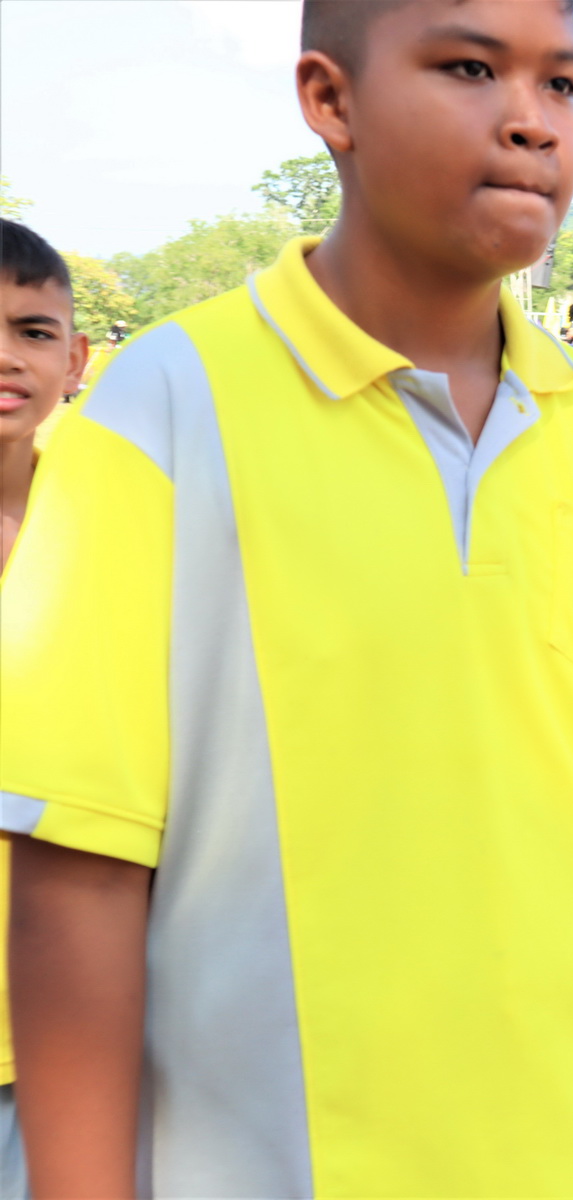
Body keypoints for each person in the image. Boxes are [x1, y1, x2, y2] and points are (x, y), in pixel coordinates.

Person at [3, 4, 573, 1198]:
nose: (533, 122)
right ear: (330, 100)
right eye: (470, 67)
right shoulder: (162, 413)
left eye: (563, 83)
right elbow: (78, 876)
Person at [0, 219, 92, 1199]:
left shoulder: (117, 519)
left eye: (31, 331)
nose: (5, 357)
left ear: (75, 359)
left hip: (67, 1020)